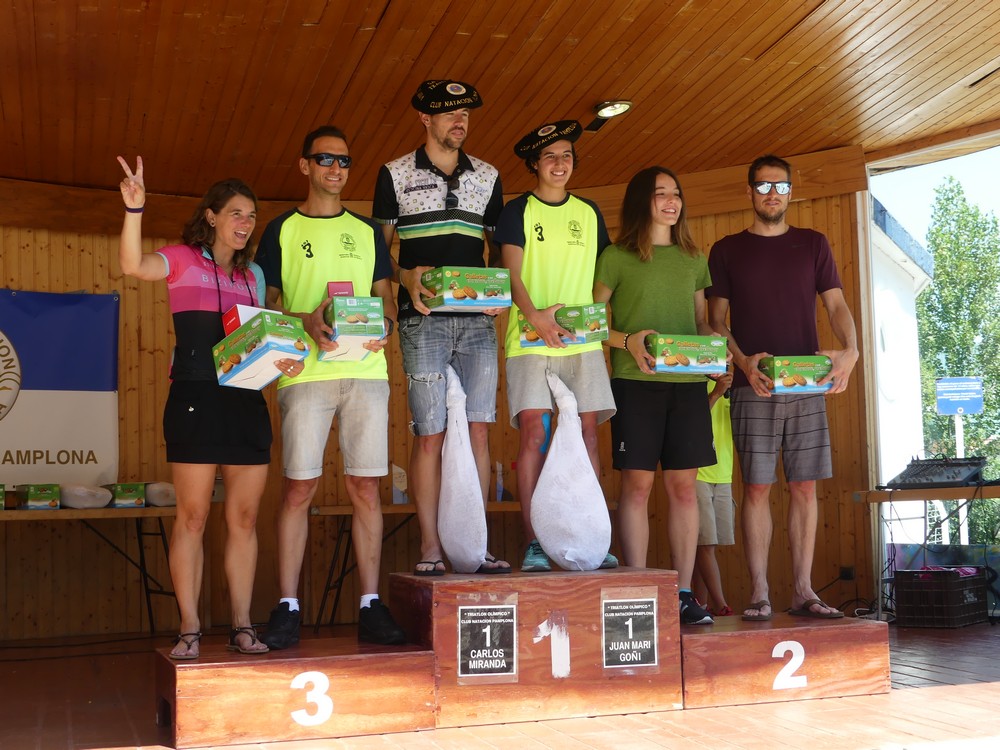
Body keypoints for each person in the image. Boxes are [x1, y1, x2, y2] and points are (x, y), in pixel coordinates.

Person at [117, 157, 301, 659]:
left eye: (252, 216)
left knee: (243, 520)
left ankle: (243, 626)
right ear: (213, 217)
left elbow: (261, 341)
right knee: (193, 518)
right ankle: (190, 628)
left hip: (246, 404)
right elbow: (133, 266)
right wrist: (135, 210)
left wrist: (284, 360)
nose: (245, 224)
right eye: (237, 214)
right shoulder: (181, 259)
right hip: (195, 400)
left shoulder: (256, 277)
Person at [255, 125, 405, 648]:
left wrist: (384, 325)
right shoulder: (278, 230)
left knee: (366, 486)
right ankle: (287, 606)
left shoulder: (367, 231)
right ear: (305, 166)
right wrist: (306, 320)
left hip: (366, 373)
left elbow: (386, 298)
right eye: (324, 159)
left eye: (343, 161)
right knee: (298, 487)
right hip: (306, 374)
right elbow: (266, 306)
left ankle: (369, 604)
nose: (335, 169)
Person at [707, 153, 858, 621]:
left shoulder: (814, 243)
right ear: (749, 192)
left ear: (792, 191)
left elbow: (835, 304)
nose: (772, 193)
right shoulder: (726, 249)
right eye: (763, 186)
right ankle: (758, 594)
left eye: (781, 186)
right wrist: (742, 362)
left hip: (807, 384)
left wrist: (852, 350)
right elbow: (714, 321)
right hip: (755, 385)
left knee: (805, 488)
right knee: (755, 489)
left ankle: (802, 590)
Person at [372, 80, 510, 576]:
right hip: (422, 320)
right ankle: (430, 546)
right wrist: (404, 280)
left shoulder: (489, 175)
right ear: (425, 120)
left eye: (466, 114)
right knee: (429, 432)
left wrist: (500, 294)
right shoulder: (393, 173)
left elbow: (500, 252)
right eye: (449, 113)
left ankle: (475, 543)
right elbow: (377, 252)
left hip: (477, 322)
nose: (460, 121)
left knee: (478, 430)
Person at [593, 166, 717, 625]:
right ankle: (637, 587)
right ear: (640, 200)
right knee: (638, 486)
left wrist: (716, 351)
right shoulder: (616, 257)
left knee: (684, 488)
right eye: (661, 193)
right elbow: (593, 322)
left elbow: (701, 322)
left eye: (677, 194)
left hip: (687, 386)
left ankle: (683, 594)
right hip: (634, 383)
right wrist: (629, 342)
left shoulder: (693, 257)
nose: (671, 201)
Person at [495, 119, 618, 573]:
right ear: (534, 164)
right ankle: (535, 541)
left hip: (582, 344)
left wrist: (600, 324)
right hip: (528, 341)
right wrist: (534, 316)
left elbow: (601, 281)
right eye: (550, 156)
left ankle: (590, 534)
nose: (559, 163)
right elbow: (511, 274)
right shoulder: (517, 210)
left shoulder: (589, 212)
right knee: (535, 436)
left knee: (587, 437)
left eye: (566, 155)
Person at [692, 372, 735, 617]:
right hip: (698, 472)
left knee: (706, 545)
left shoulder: (732, 386)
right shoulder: (697, 379)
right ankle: (720, 604)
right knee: (706, 544)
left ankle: (700, 603)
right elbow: (692, 421)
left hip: (723, 473)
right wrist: (717, 392)